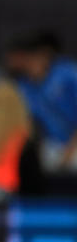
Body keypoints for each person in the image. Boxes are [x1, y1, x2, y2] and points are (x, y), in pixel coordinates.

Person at [14, 33, 77, 171]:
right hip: (52, 146)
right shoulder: (24, 87)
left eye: (35, 58)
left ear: (45, 57)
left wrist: (70, 151)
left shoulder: (68, 74)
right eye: (28, 60)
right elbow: (27, 125)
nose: (31, 64)